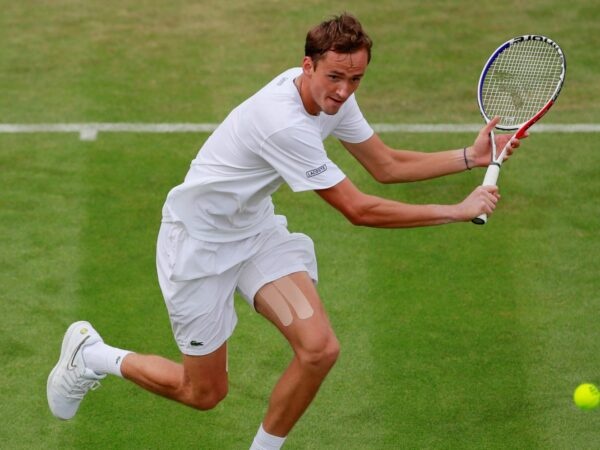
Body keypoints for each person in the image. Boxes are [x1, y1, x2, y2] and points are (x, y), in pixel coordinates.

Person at [47, 13, 521, 449]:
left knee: (319, 350)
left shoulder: (334, 100)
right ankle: (93, 355)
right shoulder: (282, 124)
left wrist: (470, 157)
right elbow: (358, 209)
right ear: (307, 66)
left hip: (252, 231)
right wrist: (457, 210)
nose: (344, 91)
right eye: (335, 77)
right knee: (204, 392)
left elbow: (387, 164)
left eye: (356, 79)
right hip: (197, 244)